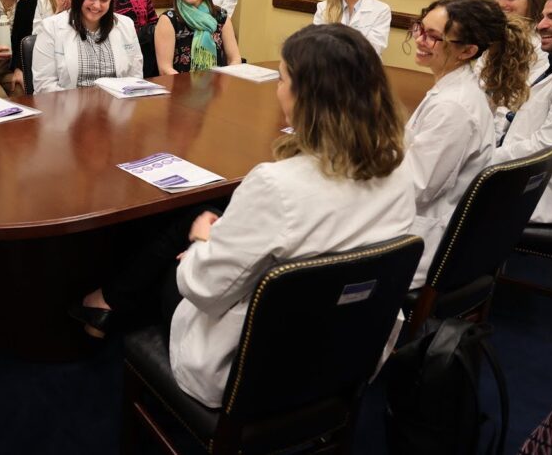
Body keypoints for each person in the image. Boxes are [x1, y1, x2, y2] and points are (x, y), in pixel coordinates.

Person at [70, 23, 415, 408]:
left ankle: (107, 309)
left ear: (306, 97)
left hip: (252, 365)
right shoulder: (400, 171)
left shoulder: (275, 184)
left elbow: (202, 288)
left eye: (281, 80)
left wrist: (204, 243)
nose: (277, 90)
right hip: (350, 347)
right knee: (206, 219)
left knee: (188, 233)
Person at [403, 0, 532, 287]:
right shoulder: (456, 89)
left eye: (434, 37)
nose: (420, 40)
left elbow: (417, 189)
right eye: (420, 29)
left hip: (421, 242)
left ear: (467, 51)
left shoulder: (453, 107)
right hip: (428, 220)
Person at [494, 0, 552, 224]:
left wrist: (484, 159)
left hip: (542, 198)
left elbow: (549, 148)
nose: (541, 25)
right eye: (542, 17)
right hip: (515, 180)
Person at [31, 0, 144, 93]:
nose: (96, 5)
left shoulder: (126, 25)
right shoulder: (50, 27)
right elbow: (44, 86)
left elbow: (135, 78)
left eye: (104, 0)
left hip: (115, 107)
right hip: (68, 108)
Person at [491, 0, 550, 135]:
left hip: (512, 129)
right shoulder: (495, 35)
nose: (502, 4)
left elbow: (524, 97)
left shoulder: (541, 45)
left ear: (532, 1)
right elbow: (482, 83)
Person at [155, 0, 241, 74]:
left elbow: (234, 59)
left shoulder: (221, 16)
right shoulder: (168, 19)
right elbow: (165, 69)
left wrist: (224, 82)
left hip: (218, 86)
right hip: (181, 89)